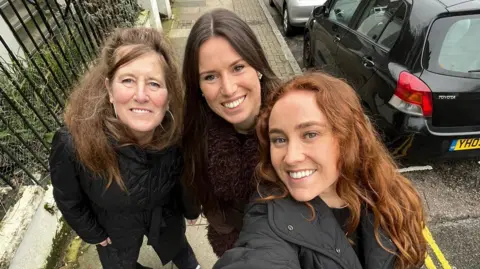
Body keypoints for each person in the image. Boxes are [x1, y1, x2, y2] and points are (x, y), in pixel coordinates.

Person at [214, 72, 427, 269]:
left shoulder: (392, 195)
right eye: (279, 139)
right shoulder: (267, 216)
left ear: (348, 138)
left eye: (310, 134)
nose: (291, 157)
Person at [49, 27, 200, 269]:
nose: (141, 95)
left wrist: (192, 209)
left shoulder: (177, 134)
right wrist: (93, 233)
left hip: (164, 218)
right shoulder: (73, 144)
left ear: (168, 94)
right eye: (128, 80)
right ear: (109, 89)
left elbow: (185, 180)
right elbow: (68, 199)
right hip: (114, 230)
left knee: (179, 248)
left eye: (153, 83)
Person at [181, 8, 281, 257]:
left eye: (238, 67)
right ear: (199, 87)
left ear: (257, 66)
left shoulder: (296, 123)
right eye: (211, 76)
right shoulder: (196, 135)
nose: (228, 88)